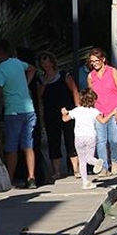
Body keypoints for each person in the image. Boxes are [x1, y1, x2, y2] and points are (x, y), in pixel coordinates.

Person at [0, 40, 38, 188]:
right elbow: (32, 68)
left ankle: (9, 179)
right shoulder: (17, 63)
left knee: (11, 147)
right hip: (29, 109)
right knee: (27, 145)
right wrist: (26, 83)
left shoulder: (0, 70)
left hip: (13, 111)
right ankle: (31, 177)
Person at [37, 51, 80, 180]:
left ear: (51, 61)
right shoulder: (41, 79)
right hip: (50, 114)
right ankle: (56, 171)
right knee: (53, 142)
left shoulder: (63, 75)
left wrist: (78, 108)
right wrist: (44, 83)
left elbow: (74, 90)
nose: (44, 62)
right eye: (41, 60)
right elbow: (38, 96)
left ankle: (75, 168)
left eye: (46, 59)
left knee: (70, 140)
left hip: (67, 111)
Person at [86, 47, 117, 176]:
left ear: (103, 59)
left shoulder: (112, 72)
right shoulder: (91, 76)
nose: (94, 63)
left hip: (113, 110)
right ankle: (103, 167)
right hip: (99, 111)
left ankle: (114, 161)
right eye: (92, 61)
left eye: (96, 60)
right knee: (100, 140)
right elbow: (90, 95)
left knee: (114, 139)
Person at [61, 89, 106, 189]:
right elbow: (102, 121)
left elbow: (65, 119)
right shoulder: (94, 111)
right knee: (89, 157)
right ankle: (97, 162)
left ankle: (85, 182)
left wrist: (64, 113)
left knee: (82, 160)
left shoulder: (76, 110)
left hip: (79, 137)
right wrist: (111, 113)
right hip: (90, 137)